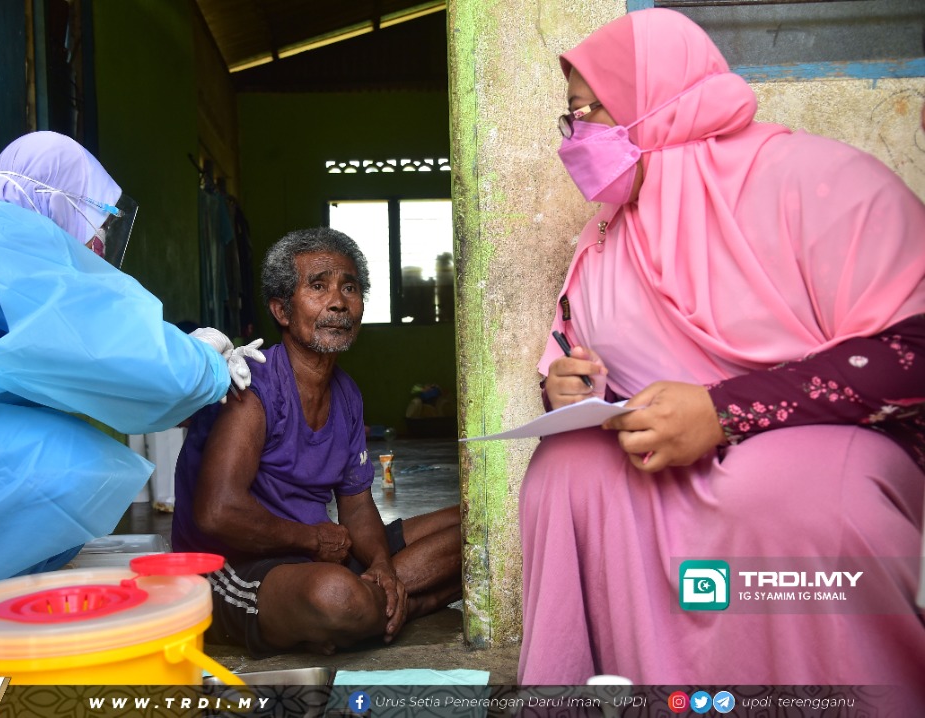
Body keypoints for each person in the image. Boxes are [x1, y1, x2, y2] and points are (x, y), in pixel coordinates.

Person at [520, 7, 925, 702]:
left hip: (824, 434)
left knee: (777, 494)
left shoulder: (812, 180)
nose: (578, 136)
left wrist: (722, 411)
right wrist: (566, 388)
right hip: (662, 445)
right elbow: (572, 351)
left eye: (592, 111)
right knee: (566, 470)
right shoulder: (608, 237)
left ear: (661, 101)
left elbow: (913, 349)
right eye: (574, 115)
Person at [0, 131, 264, 676]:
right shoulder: (3, 248)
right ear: (54, 199)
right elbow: (113, 351)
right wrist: (204, 362)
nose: (99, 244)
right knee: (64, 464)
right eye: (98, 221)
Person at [172, 227, 462, 657]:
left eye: (350, 287)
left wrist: (381, 565)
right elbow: (217, 512)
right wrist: (311, 540)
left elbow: (358, 505)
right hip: (233, 567)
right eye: (319, 286)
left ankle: (378, 601)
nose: (338, 302)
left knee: (479, 527)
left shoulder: (346, 394)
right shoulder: (253, 388)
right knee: (337, 597)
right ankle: (398, 604)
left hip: (321, 552)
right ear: (281, 310)